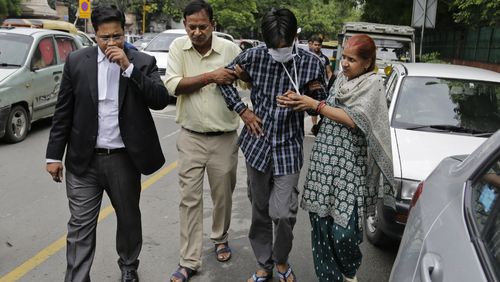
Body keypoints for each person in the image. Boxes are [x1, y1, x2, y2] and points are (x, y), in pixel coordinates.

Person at [45, 5, 169, 282]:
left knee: (128, 219)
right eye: (105, 38)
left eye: (117, 36)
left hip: (124, 159)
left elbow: (159, 100)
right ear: (94, 34)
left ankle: (128, 266)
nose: (112, 43)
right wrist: (53, 156)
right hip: (83, 161)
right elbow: (63, 110)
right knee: (80, 226)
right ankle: (77, 278)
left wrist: (129, 68)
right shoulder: (77, 61)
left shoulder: (143, 61)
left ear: (125, 33)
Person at [218, 8, 328, 282]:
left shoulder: (311, 62)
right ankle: (264, 264)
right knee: (259, 210)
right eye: (274, 47)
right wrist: (243, 110)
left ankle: (281, 260)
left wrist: (307, 100)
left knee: (283, 214)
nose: (279, 50)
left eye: (285, 45)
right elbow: (223, 81)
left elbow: (322, 97)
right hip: (257, 145)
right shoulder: (253, 56)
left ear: (294, 37)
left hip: (289, 147)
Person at [277, 34, 395, 282]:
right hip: (324, 162)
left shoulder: (373, 84)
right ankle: (328, 278)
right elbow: (325, 108)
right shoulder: (341, 79)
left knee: (345, 232)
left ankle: (348, 274)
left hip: (349, 168)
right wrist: (300, 101)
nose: (344, 63)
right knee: (321, 227)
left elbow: (355, 120)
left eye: (352, 59)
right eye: (343, 57)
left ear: (367, 62)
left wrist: (316, 105)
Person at [164, 1, 242, 281]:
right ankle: (189, 260)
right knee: (189, 200)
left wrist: (241, 74)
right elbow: (173, 85)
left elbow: (246, 83)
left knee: (223, 195)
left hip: (224, 137)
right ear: (185, 25)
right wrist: (211, 76)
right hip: (191, 137)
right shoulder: (178, 49)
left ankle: (220, 237)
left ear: (213, 25)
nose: (196, 32)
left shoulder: (230, 50)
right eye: (191, 26)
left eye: (202, 26)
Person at [308, 34, 333, 135]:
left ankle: (319, 126)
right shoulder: (307, 57)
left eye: (319, 45)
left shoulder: (324, 58)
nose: (317, 47)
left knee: (322, 106)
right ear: (311, 44)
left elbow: (329, 72)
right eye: (315, 45)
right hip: (311, 87)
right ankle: (314, 126)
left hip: (323, 87)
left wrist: (330, 84)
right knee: (312, 106)